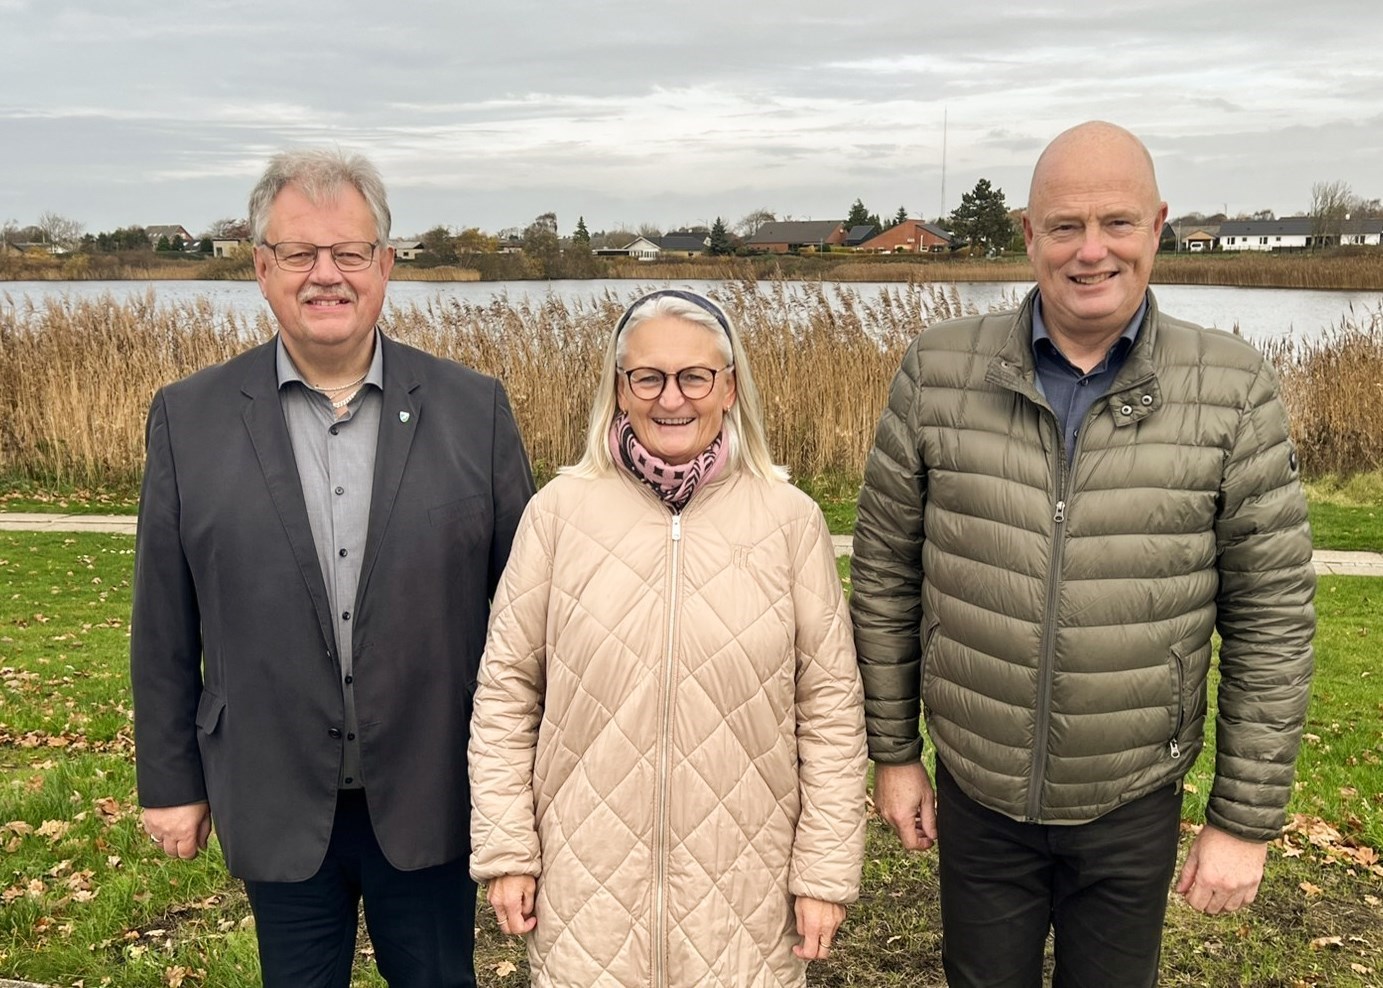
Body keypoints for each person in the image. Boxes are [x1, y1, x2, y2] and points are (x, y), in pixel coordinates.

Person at [851, 121, 1316, 988]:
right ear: (1028, 234)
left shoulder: (1231, 387)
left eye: (1117, 223)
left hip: (1131, 791)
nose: (1090, 251)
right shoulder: (937, 372)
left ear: (1157, 226)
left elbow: (1272, 621)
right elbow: (883, 576)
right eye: (1064, 226)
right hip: (976, 786)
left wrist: (1243, 821)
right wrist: (894, 751)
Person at [130, 148, 534, 988]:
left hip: (433, 787)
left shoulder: (474, 410)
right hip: (273, 783)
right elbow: (165, 622)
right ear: (261, 267)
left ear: (385, 264)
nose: (327, 275)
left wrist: (526, 791)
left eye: (349, 253)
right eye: (300, 254)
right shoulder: (189, 417)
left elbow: (527, 624)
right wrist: (170, 780)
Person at [468, 288, 868, 986]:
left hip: (744, 891)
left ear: (729, 387)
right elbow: (506, 693)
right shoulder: (557, 515)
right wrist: (507, 852)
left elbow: (830, 709)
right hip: (586, 888)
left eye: (694, 376)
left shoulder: (788, 519)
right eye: (647, 377)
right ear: (619, 391)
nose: (671, 399)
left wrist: (824, 873)